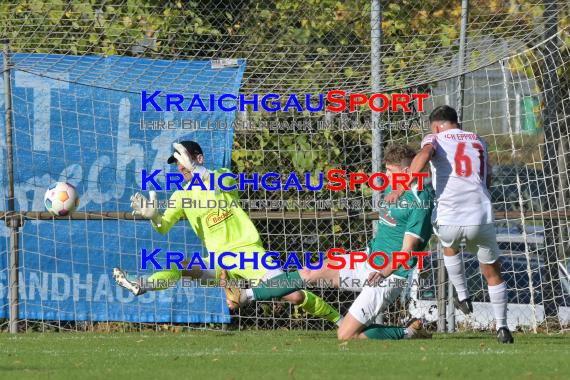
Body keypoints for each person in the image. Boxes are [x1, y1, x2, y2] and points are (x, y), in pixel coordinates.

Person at [113, 140, 341, 325]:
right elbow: (163, 227)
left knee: (295, 295)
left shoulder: (222, 176)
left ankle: (341, 321)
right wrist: (154, 216)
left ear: (199, 160)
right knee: (180, 269)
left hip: (248, 253)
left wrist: (198, 171)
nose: (183, 172)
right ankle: (142, 284)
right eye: (180, 169)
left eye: (186, 166)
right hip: (218, 263)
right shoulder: (181, 196)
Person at [224, 144, 433, 340]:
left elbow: (407, 251)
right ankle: (245, 295)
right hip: (367, 259)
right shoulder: (392, 189)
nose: (386, 176)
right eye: (385, 170)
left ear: (406, 173)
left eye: (391, 171)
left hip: (390, 275)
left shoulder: (420, 202)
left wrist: (384, 272)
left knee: (346, 335)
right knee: (308, 273)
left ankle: (409, 332)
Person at [385, 105, 514, 344]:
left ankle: (463, 296)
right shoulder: (479, 141)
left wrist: (402, 185)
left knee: (449, 245)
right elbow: (488, 177)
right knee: (492, 271)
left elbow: (423, 155)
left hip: (449, 217)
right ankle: (503, 327)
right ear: (456, 122)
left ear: (435, 125)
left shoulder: (434, 137)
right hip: (481, 215)